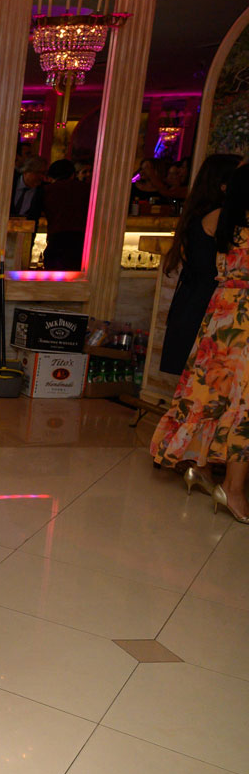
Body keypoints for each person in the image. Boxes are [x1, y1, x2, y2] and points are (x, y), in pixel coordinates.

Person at [152, 163, 249, 523]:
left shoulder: (217, 219)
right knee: (241, 400)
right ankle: (234, 489)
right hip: (242, 317)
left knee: (213, 391)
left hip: (221, 312)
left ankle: (201, 466)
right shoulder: (236, 221)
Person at [159, 154, 241, 376]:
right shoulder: (220, 215)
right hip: (207, 301)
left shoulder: (199, 212)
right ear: (225, 185)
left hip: (193, 296)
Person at [38, 159, 91, 270]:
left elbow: (34, 216)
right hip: (81, 244)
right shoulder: (87, 189)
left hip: (56, 242)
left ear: (51, 176)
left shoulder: (47, 190)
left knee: (54, 281)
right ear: (72, 174)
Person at [9, 155, 47, 219]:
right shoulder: (10, 182)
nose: (41, 177)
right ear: (26, 171)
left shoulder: (43, 190)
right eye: (37, 172)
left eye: (43, 173)